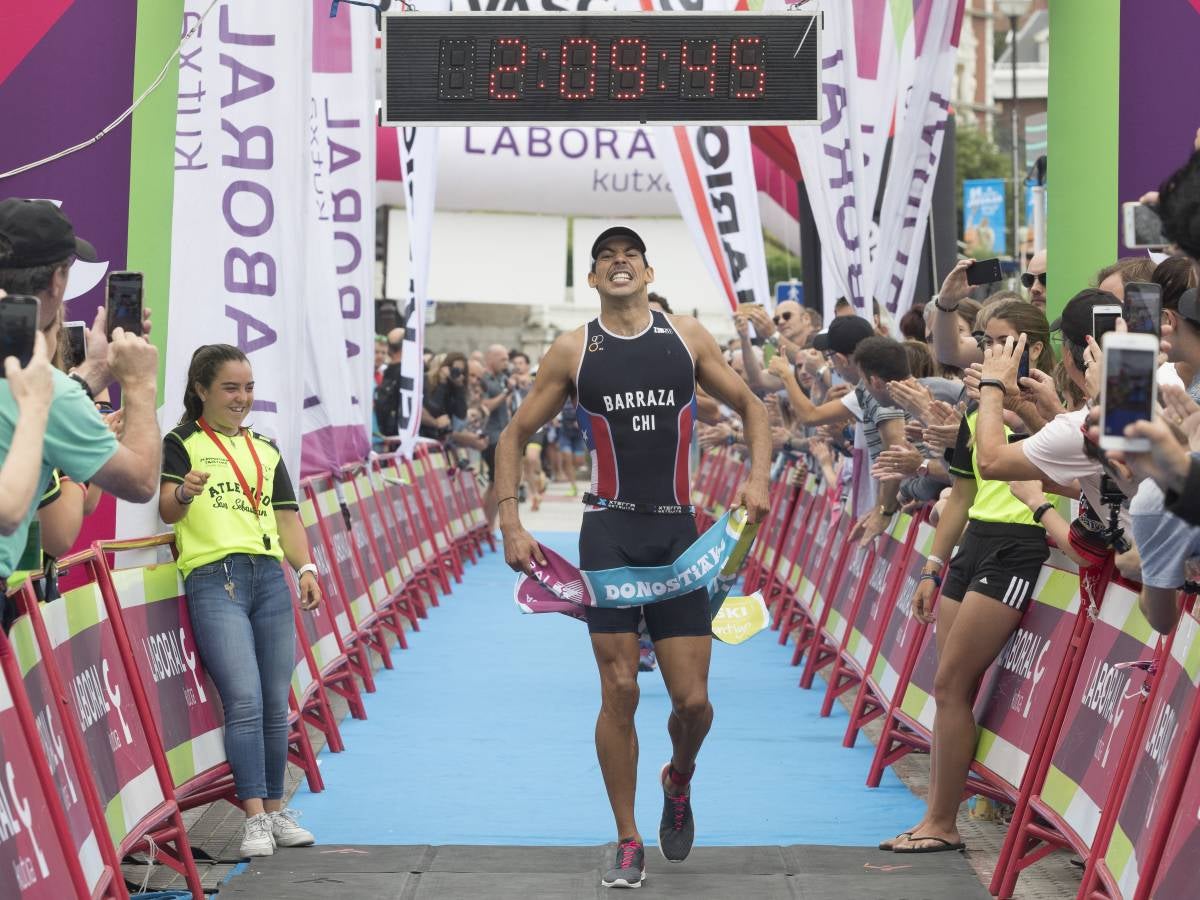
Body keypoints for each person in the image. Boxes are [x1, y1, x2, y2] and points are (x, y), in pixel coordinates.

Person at [495, 226, 770, 889]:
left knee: (694, 703)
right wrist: (510, 520)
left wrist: (757, 481)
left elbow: (752, 405)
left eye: (630, 255)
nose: (619, 262)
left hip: (677, 535)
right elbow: (513, 433)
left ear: (648, 271)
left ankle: (678, 777)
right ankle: (626, 837)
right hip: (609, 533)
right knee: (619, 689)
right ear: (591, 280)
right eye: (605, 258)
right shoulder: (572, 349)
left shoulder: (686, 337)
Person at [880, 301, 1053, 855]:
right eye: (984, 340)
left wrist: (1018, 407)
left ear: (1034, 348)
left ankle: (942, 822)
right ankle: (939, 817)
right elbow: (961, 495)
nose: (987, 352)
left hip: (1018, 547)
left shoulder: (1051, 408)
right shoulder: (979, 407)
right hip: (972, 544)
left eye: (1000, 341)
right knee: (948, 688)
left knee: (953, 684)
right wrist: (932, 566)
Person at [159, 344, 323, 858]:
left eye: (248, 388)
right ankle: (252, 818)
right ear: (201, 390)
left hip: (269, 579)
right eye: (230, 388)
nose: (242, 398)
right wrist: (184, 492)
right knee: (246, 701)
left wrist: (307, 568)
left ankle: (276, 812)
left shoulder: (267, 448)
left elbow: (288, 519)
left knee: (277, 704)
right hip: (214, 578)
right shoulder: (181, 441)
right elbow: (167, 510)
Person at [0, 201, 163, 609]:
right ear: (58, 281)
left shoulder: (52, 392)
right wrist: (140, 384)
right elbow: (141, 481)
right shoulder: (47, 391)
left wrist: (93, 374)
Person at [479, 343, 514, 530]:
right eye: (503, 359)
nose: (506, 363)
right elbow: (485, 406)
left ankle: (486, 525)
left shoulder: (501, 378)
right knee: (497, 484)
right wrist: (506, 393)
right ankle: (489, 526)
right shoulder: (484, 380)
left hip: (501, 435)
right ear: (490, 359)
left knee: (494, 483)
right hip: (490, 437)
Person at [374, 326, 405, 443]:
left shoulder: (383, 374)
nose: (380, 356)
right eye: (376, 352)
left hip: (382, 436)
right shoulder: (365, 377)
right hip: (372, 434)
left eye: (383, 352)